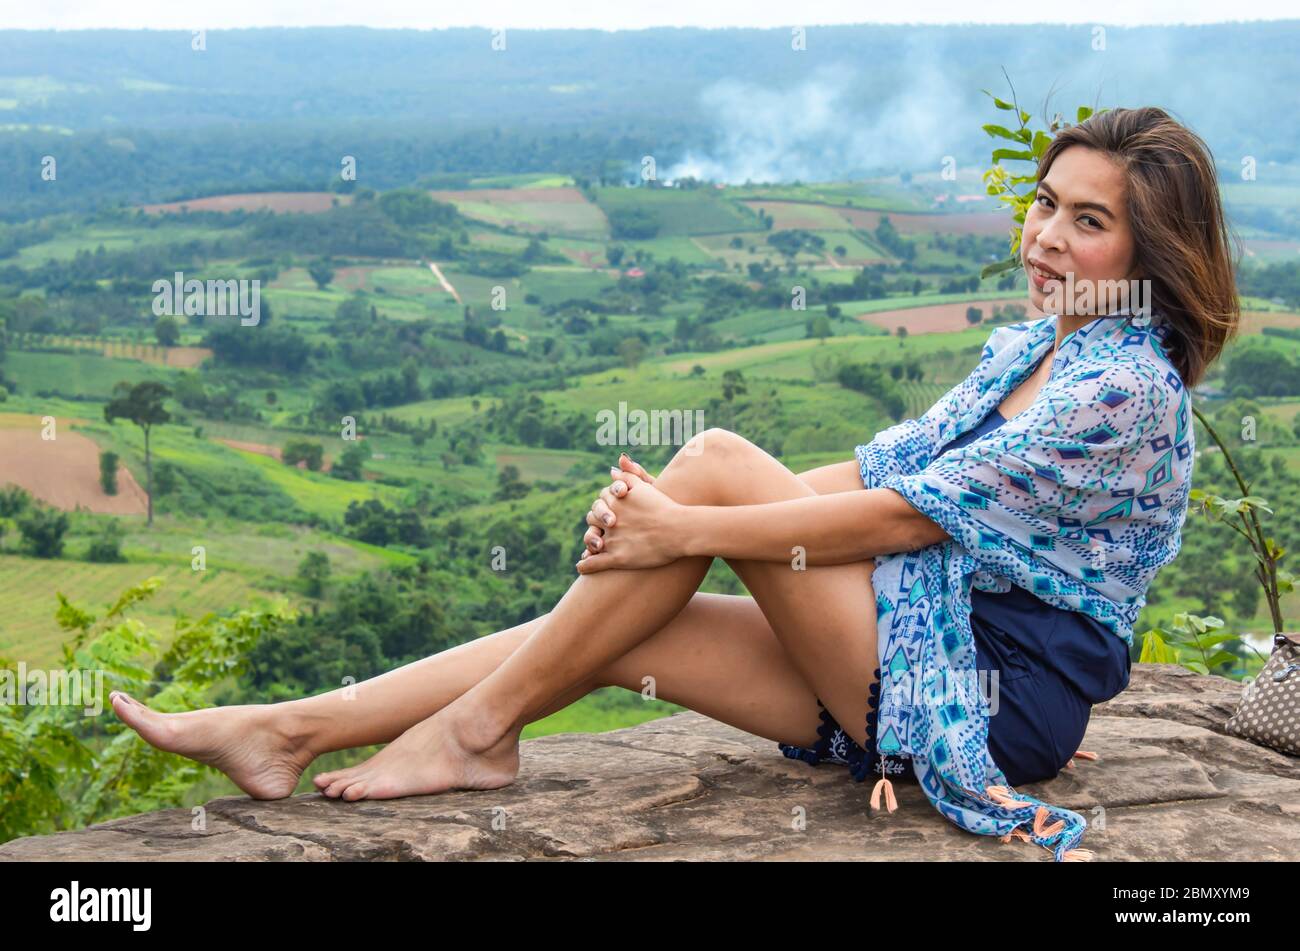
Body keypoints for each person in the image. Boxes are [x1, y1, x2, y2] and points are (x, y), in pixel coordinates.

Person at [109, 105, 1240, 861]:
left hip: (982, 701)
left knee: (706, 465)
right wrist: (673, 534)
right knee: (616, 626)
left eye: (1088, 222)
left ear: (1154, 255)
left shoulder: (1122, 388)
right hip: (919, 642)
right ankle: (292, 729)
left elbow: (901, 515)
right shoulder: (1034, 348)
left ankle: (475, 733)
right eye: (1046, 203)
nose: (1045, 236)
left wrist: (689, 516)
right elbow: (877, 468)